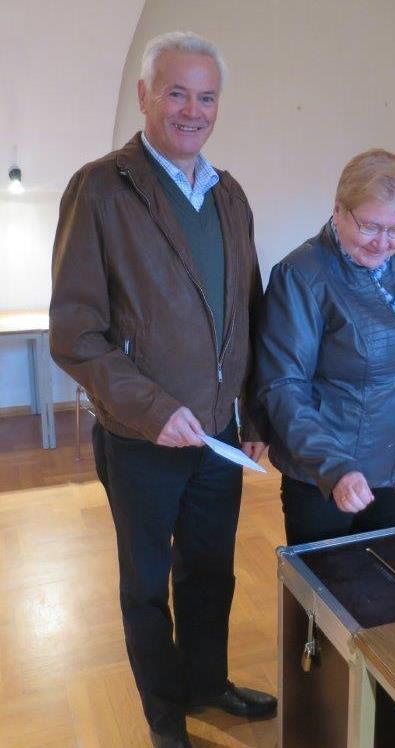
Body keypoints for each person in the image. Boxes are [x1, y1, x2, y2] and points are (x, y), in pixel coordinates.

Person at [50, 31, 275, 748]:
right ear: (145, 95)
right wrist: (152, 409)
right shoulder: (100, 189)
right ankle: (163, 710)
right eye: (176, 93)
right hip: (139, 440)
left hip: (218, 439)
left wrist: (253, 415)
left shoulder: (229, 194)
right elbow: (74, 333)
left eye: (205, 97)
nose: (191, 111)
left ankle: (207, 683)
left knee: (209, 572)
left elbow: (248, 315)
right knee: (147, 584)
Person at [256, 149, 395, 547]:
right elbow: (282, 386)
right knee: (321, 583)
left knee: (379, 576)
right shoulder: (301, 275)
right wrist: (335, 468)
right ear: (338, 210)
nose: (383, 243)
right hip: (326, 475)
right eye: (370, 226)